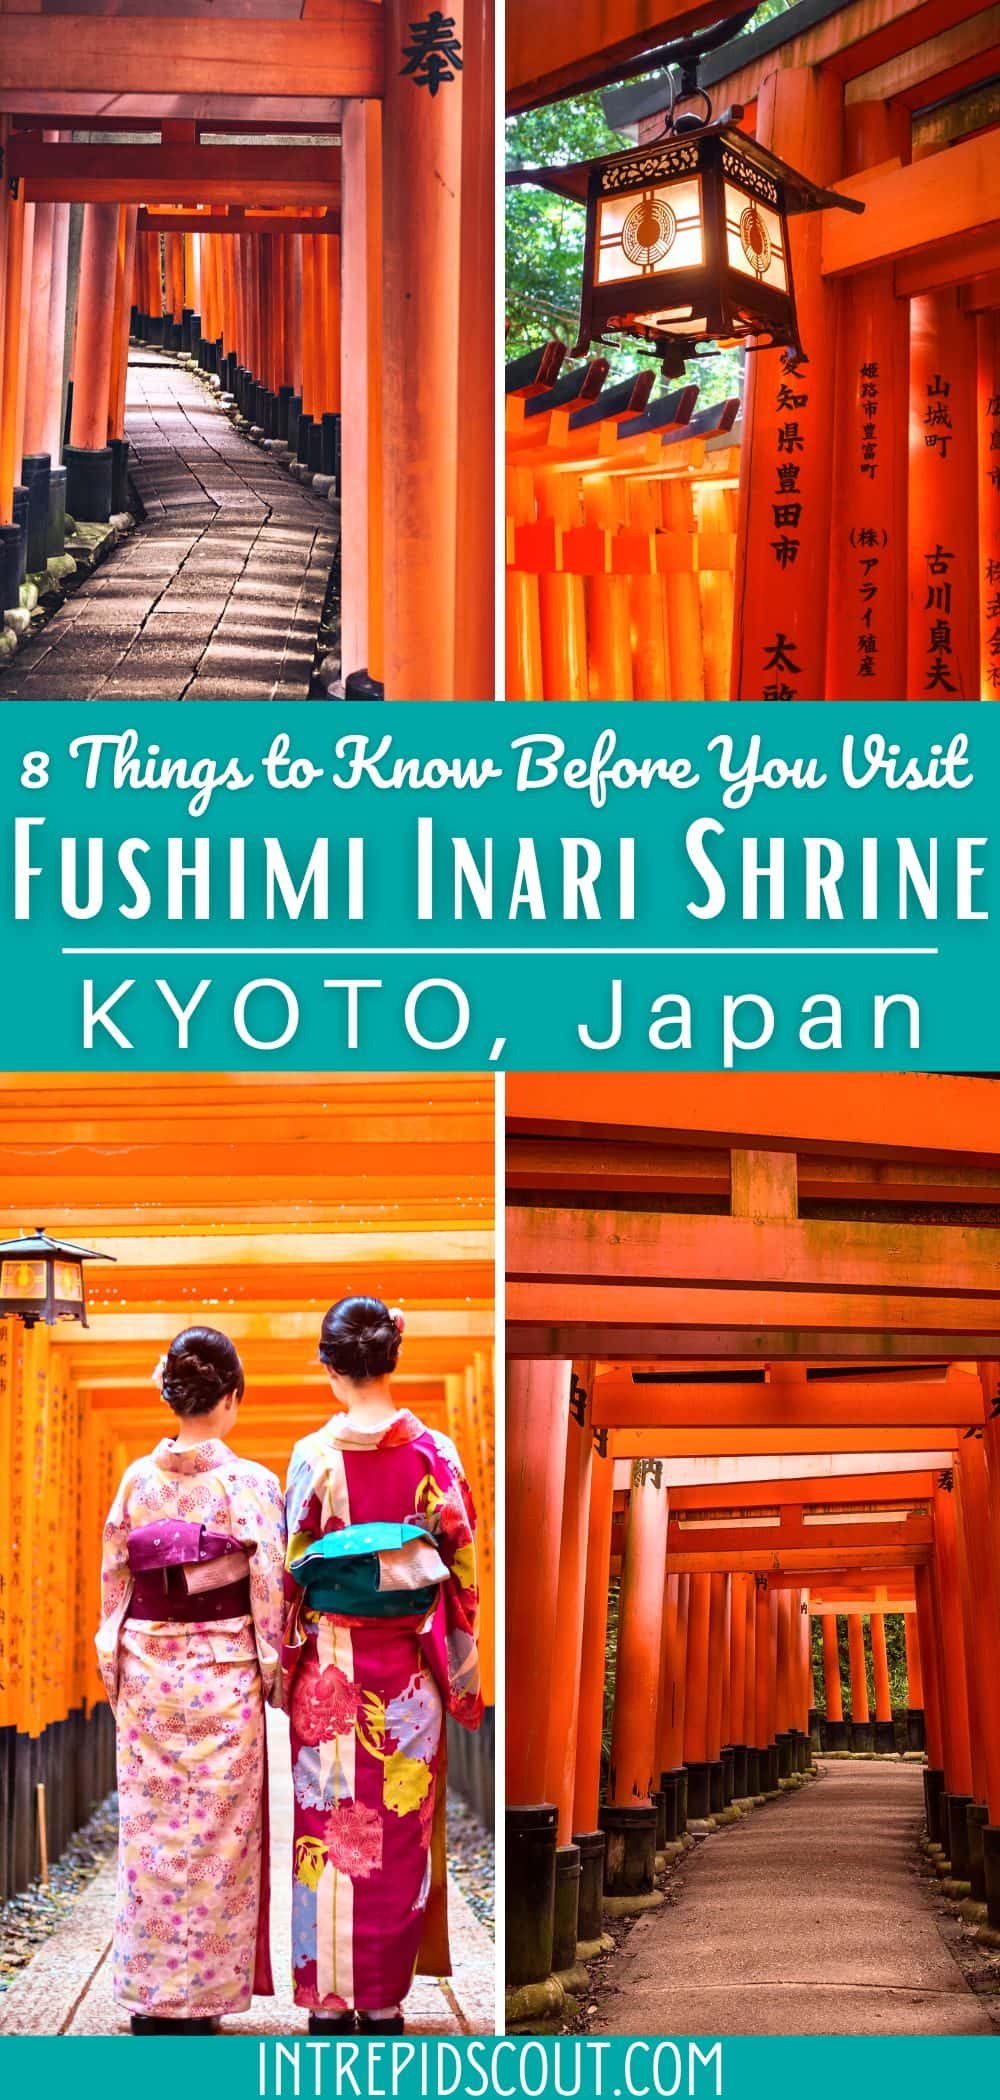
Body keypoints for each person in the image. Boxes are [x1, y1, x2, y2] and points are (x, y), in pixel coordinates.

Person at [283, 1296, 482, 2035]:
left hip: (331, 1672)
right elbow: (459, 1575)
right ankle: (383, 2000)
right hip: (406, 1680)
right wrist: (458, 1669)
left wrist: (285, 1661)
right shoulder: (437, 1454)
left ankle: (327, 2000)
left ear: (332, 1368)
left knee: (327, 1827)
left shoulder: (312, 1458)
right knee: (397, 1832)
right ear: (392, 1358)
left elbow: (290, 1571)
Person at [96, 1326, 286, 2035]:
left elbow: (115, 1585)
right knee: (216, 1837)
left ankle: (152, 1996)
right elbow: (269, 1588)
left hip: (148, 1668)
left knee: (150, 1834)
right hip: (223, 1671)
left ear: (172, 1394)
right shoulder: (253, 1485)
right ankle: (201, 1998)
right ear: (232, 1397)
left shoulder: (136, 1483)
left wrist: (115, 1669)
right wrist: (274, 1672)